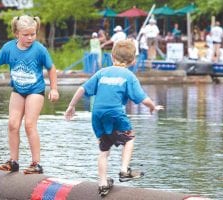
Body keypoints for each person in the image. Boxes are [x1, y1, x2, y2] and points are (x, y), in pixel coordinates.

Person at [65, 40, 163, 197]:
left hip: (97, 114)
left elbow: (82, 88)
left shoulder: (101, 72)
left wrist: (71, 106)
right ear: (133, 61)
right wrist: (152, 107)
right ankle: (124, 170)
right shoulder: (129, 76)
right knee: (129, 139)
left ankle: (103, 184)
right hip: (115, 113)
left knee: (103, 149)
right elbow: (142, 98)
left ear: (112, 57)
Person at [0, 15, 59, 174]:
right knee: (12, 124)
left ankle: (36, 164)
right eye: (26, 35)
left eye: (33, 34)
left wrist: (54, 88)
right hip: (18, 90)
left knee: (29, 125)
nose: (30, 38)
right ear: (16, 34)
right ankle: (13, 162)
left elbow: (51, 68)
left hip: (35, 90)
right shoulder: (9, 48)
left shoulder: (39, 49)